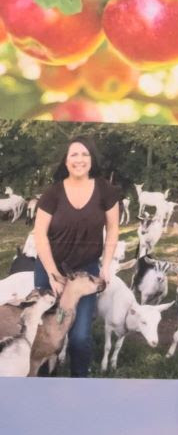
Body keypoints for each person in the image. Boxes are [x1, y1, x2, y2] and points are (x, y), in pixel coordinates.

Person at [33, 136, 119, 377]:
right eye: (74, 155)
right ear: (66, 160)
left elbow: (113, 229)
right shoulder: (53, 193)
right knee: (45, 333)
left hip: (86, 271)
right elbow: (39, 234)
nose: (79, 160)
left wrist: (107, 265)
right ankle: (41, 381)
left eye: (84, 154)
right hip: (50, 267)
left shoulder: (106, 190)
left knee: (80, 337)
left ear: (92, 159)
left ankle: (80, 382)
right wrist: (52, 274)